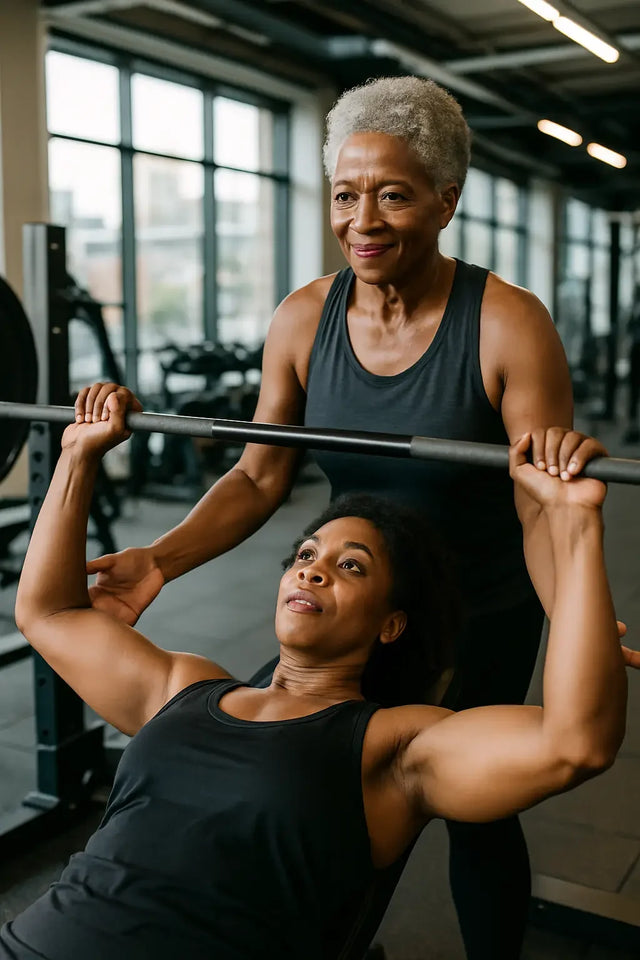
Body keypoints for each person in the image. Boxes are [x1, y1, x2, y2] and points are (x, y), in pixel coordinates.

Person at [75, 76, 612, 958]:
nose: (363, 218)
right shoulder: (303, 318)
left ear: (446, 201)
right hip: (355, 594)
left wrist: (572, 613)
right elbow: (258, 476)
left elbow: (539, 503)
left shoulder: (509, 324)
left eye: (393, 194)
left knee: (475, 815)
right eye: (345, 194)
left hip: (477, 612)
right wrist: (159, 561)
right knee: (312, 788)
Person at [0, 391, 631, 960]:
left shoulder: (395, 747)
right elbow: (49, 612)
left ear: (390, 624)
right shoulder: (184, 689)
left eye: (351, 567)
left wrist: (574, 525)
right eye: (305, 556)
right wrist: (78, 456)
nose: (312, 571)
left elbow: (574, 744)